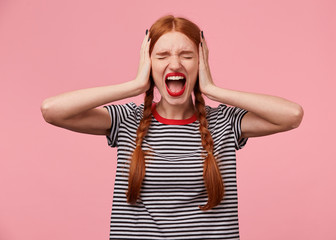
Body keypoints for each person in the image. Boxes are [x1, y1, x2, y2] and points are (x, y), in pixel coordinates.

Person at [41, 15, 303, 240]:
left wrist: (213, 89)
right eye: (162, 56)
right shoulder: (126, 120)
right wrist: (133, 86)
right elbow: (52, 111)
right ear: (149, 64)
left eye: (187, 55)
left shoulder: (225, 122)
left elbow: (291, 115)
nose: (175, 64)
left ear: (200, 64)